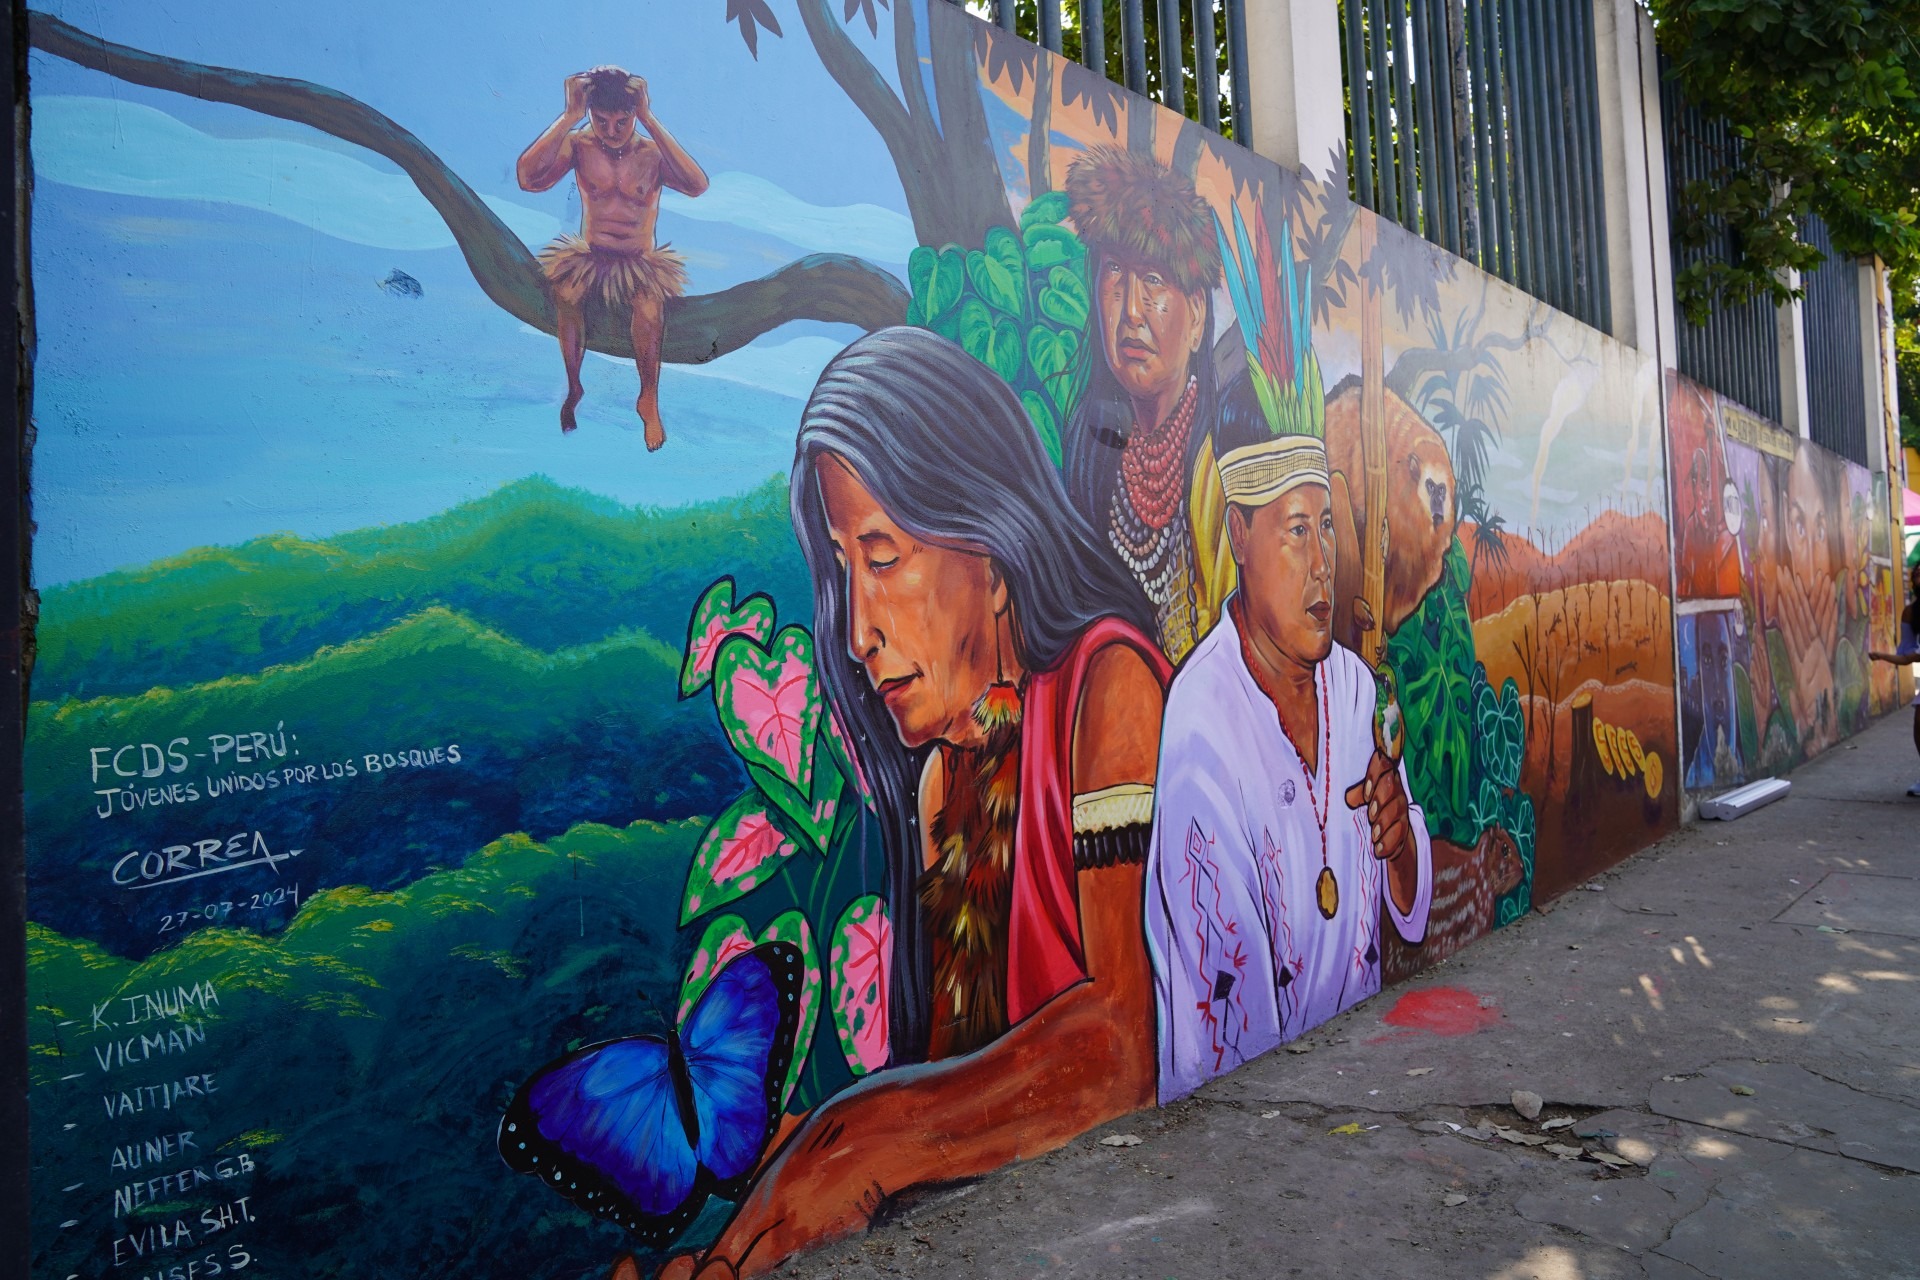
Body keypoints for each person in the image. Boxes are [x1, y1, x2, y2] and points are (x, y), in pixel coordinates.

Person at [649, 327, 1171, 1279]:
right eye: (844, 567)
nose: (855, 632)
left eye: (883, 556)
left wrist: (876, 1136)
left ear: (992, 544)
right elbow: (955, 1075)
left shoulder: (1111, 692)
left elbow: (1118, 1048)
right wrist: (818, 1149)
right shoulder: (944, 779)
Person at [1145, 415, 1433, 1103]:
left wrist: (1399, 843)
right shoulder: (1202, 722)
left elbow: (1410, 908)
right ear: (1240, 538)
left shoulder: (1354, 685)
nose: (1324, 560)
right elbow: (1231, 1004)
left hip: (1350, 1088)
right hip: (1247, 1119)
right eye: (1298, 530)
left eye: (1327, 526)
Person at [1061, 146, 1229, 665]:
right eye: (1115, 273)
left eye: (1153, 278)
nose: (1131, 309)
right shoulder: (1087, 455)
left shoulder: (1223, 464)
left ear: (1197, 315)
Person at [517, 65, 708, 448]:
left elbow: (696, 185)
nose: (612, 130)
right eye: (601, 120)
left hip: (639, 263)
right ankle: (573, 386)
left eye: (623, 121)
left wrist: (650, 119)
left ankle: (648, 398)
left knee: (650, 310)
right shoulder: (579, 145)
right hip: (591, 257)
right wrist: (570, 116)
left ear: (634, 114)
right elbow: (528, 178)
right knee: (566, 295)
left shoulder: (651, 153)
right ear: (590, 114)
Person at [1868, 558, 1920, 797]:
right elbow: (1907, 654)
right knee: (1918, 727)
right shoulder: (1911, 612)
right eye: (1917, 573)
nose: (1919, 577)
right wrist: (1882, 656)